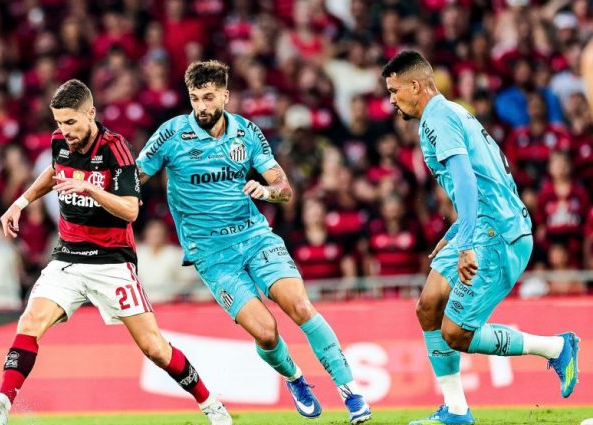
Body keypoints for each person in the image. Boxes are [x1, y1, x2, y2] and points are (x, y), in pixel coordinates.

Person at [0, 79, 231, 425]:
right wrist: (21, 202)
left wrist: (90, 188)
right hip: (68, 258)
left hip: (112, 262)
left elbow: (130, 209)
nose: (64, 131)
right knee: (30, 322)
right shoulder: (60, 142)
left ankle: (211, 405)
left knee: (155, 348)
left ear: (91, 114)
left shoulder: (116, 149)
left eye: (71, 122)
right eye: (59, 122)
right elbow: (54, 172)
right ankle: (1, 403)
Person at [136, 60, 372, 424]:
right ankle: (295, 378)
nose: (201, 106)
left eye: (209, 97)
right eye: (195, 98)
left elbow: (284, 189)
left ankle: (351, 392)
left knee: (300, 306)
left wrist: (266, 190)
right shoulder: (171, 134)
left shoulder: (246, 132)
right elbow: (135, 175)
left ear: (225, 96)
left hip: (255, 236)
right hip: (212, 255)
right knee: (266, 333)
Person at [382, 50, 580, 425]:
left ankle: (556, 347)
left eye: (394, 90)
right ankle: (456, 410)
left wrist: (466, 242)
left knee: (456, 333)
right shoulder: (450, 113)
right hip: (480, 225)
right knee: (428, 306)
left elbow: (466, 180)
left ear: (415, 85)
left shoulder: (438, 118)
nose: (391, 100)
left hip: (497, 233)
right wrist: (456, 232)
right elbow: (487, 179)